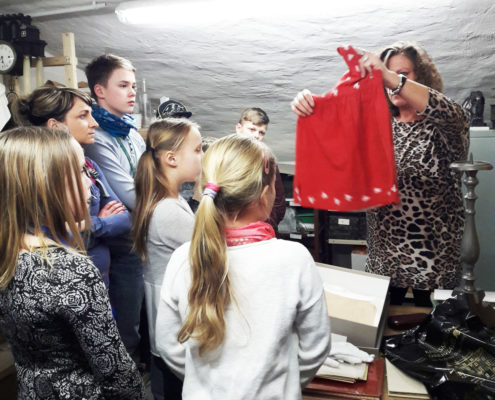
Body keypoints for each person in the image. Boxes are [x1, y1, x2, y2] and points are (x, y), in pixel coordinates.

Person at [291, 42, 469, 306]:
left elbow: (453, 113)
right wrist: (309, 105)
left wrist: (386, 75)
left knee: (435, 341)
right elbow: (334, 133)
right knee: (382, 338)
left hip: (435, 266)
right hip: (384, 265)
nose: (391, 83)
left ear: (422, 78)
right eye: (385, 76)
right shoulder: (377, 126)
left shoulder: (442, 128)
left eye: (403, 74)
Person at [155, 134, 331, 399]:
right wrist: (284, 385)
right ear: (264, 196)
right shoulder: (295, 259)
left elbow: (169, 345)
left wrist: (205, 384)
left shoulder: (183, 257)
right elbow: (315, 348)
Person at [0, 127, 144, 399]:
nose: (90, 183)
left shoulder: (9, 250)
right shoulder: (70, 271)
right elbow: (119, 376)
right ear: (45, 185)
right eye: (80, 171)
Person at [12, 85, 131, 288]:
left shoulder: (90, 166)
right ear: (55, 126)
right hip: (64, 286)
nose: (94, 123)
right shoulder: (35, 175)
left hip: (100, 283)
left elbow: (124, 219)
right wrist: (98, 227)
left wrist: (87, 225)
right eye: (83, 116)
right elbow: (52, 241)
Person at [133, 118, 203, 400]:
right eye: (198, 150)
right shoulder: (169, 212)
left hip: (169, 328)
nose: (202, 156)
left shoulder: (172, 202)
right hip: (172, 332)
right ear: (171, 158)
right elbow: (210, 253)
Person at [84, 54, 146, 363]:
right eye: (123, 85)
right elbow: (130, 196)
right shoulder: (95, 137)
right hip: (120, 246)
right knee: (122, 332)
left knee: (137, 324)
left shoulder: (133, 134)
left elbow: (148, 183)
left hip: (139, 237)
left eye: (133, 85)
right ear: (100, 91)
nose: (132, 92)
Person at [235, 107, 286, 233]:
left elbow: (279, 202)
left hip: (263, 229)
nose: (256, 136)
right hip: (231, 228)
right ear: (238, 128)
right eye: (252, 129)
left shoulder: (269, 161)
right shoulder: (225, 157)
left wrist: (269, 223)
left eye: (261, 133)